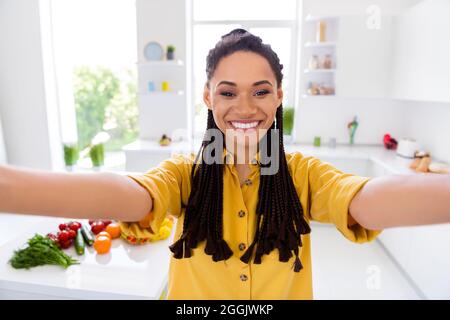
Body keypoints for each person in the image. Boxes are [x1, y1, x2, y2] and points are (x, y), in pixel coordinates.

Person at [1, 29, 449, 299]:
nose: (245, 106)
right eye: (228, 91)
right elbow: (127, 194)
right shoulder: (183, 173)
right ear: (208, 98)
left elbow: (366, 201)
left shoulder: (303, 174)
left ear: (278, 96)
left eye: (261, 90)